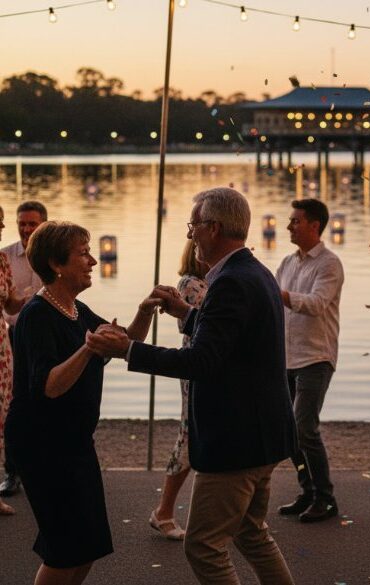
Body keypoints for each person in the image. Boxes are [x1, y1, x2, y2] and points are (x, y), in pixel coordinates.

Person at [87, 187, 295, 585]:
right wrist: (186, 313)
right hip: (265, 433)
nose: (190, 235)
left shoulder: (231, 282)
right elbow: (232, 339)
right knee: (252, 534)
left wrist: (129, 348)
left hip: (237, 440)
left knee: (203, 546)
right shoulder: (254, 271)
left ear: (214, 228)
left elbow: (201, 361)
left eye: (194, 226)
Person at [4, 221, 157, 584]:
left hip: (74, 443)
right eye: (82, 253)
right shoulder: (38, 315)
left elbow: (126, 341)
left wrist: (146, 309)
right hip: (42, 445)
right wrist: (88, 348)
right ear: (57, 265)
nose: (91, 260)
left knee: (89, 544)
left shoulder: (75, 309)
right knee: (63, 550)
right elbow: (50, 386)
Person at [275, 199, 344, 523]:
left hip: (316, 356)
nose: (289, 226)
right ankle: (307, 490)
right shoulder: (288, 263)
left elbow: (316, 304)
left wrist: (281, 296)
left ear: (314, 225)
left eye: (295, 221)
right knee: (287, 430)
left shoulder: (329, 264)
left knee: (304, 426)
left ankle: (326, 498)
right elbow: (274, 307)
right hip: (286, 358)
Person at [149, 239, 208, 540]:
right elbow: (198, 324)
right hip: (195, 368)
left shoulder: (210, 281)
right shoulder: (191, 284)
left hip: (209, 368)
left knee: (201, 436)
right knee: (188, 436)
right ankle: (164, 511)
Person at [0, 200, 46, 498]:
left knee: (43, 397)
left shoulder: (53, 254)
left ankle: (43, 468)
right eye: (22, 223)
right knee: (13, 404)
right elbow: (10, 306)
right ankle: (12, 472)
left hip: (44, 335)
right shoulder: (6, 256)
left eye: (32, 223)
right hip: (13, 335)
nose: (26, 228)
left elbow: (10, 299)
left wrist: (28, 298)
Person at [0, 206, 29, 516]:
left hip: (1, 345)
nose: (2, 227)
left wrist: (27, 297)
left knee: (1, 413)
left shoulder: (1, 261)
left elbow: (9, 301)